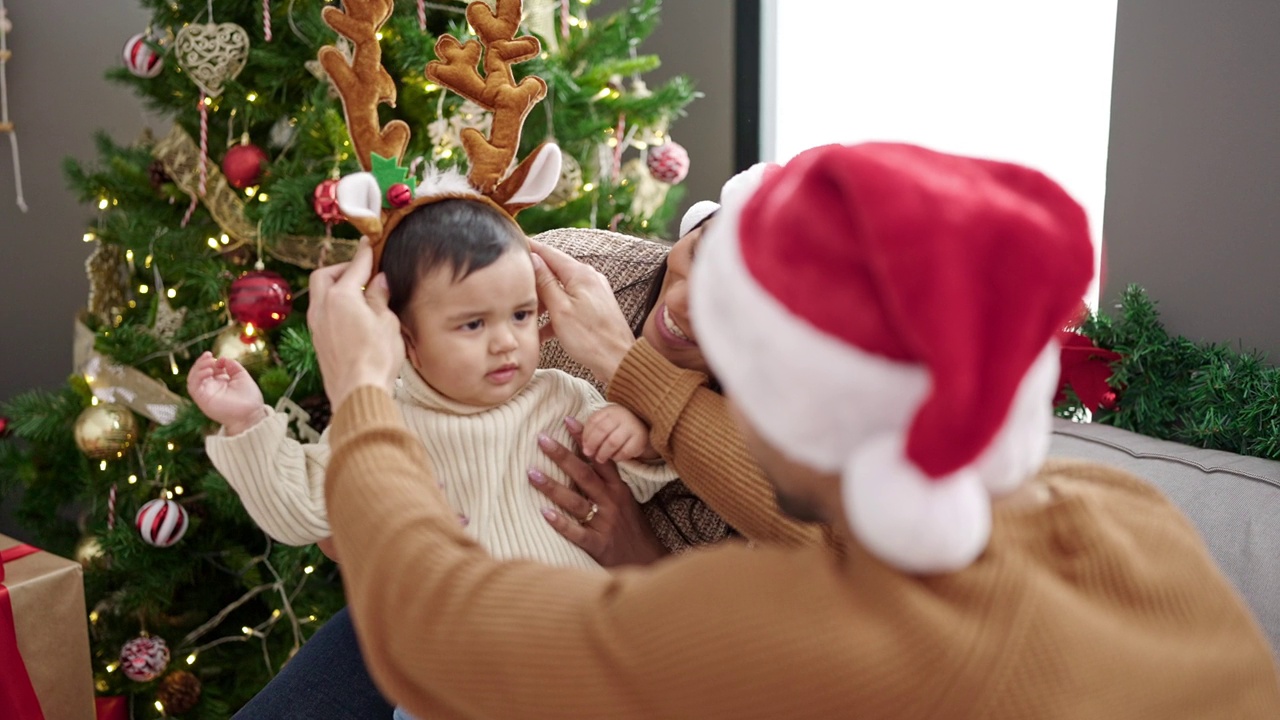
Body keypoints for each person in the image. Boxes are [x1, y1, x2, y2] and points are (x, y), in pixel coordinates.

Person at [307, 142, 1280, 718]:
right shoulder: (1127, 513)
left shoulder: (817, 624)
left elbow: (435, 629)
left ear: (783, 413)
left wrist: (360, 389)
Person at [190, 198, 678, 573]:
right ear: (406, 339)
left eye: (522, 315)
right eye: (472, 325)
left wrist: (633, 437)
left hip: (575, 637)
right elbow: (299, 512)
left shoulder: (564, 395)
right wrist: (247, 421)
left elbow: (634, 481)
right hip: (451, 670)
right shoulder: (381, 421)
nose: (506, 342)